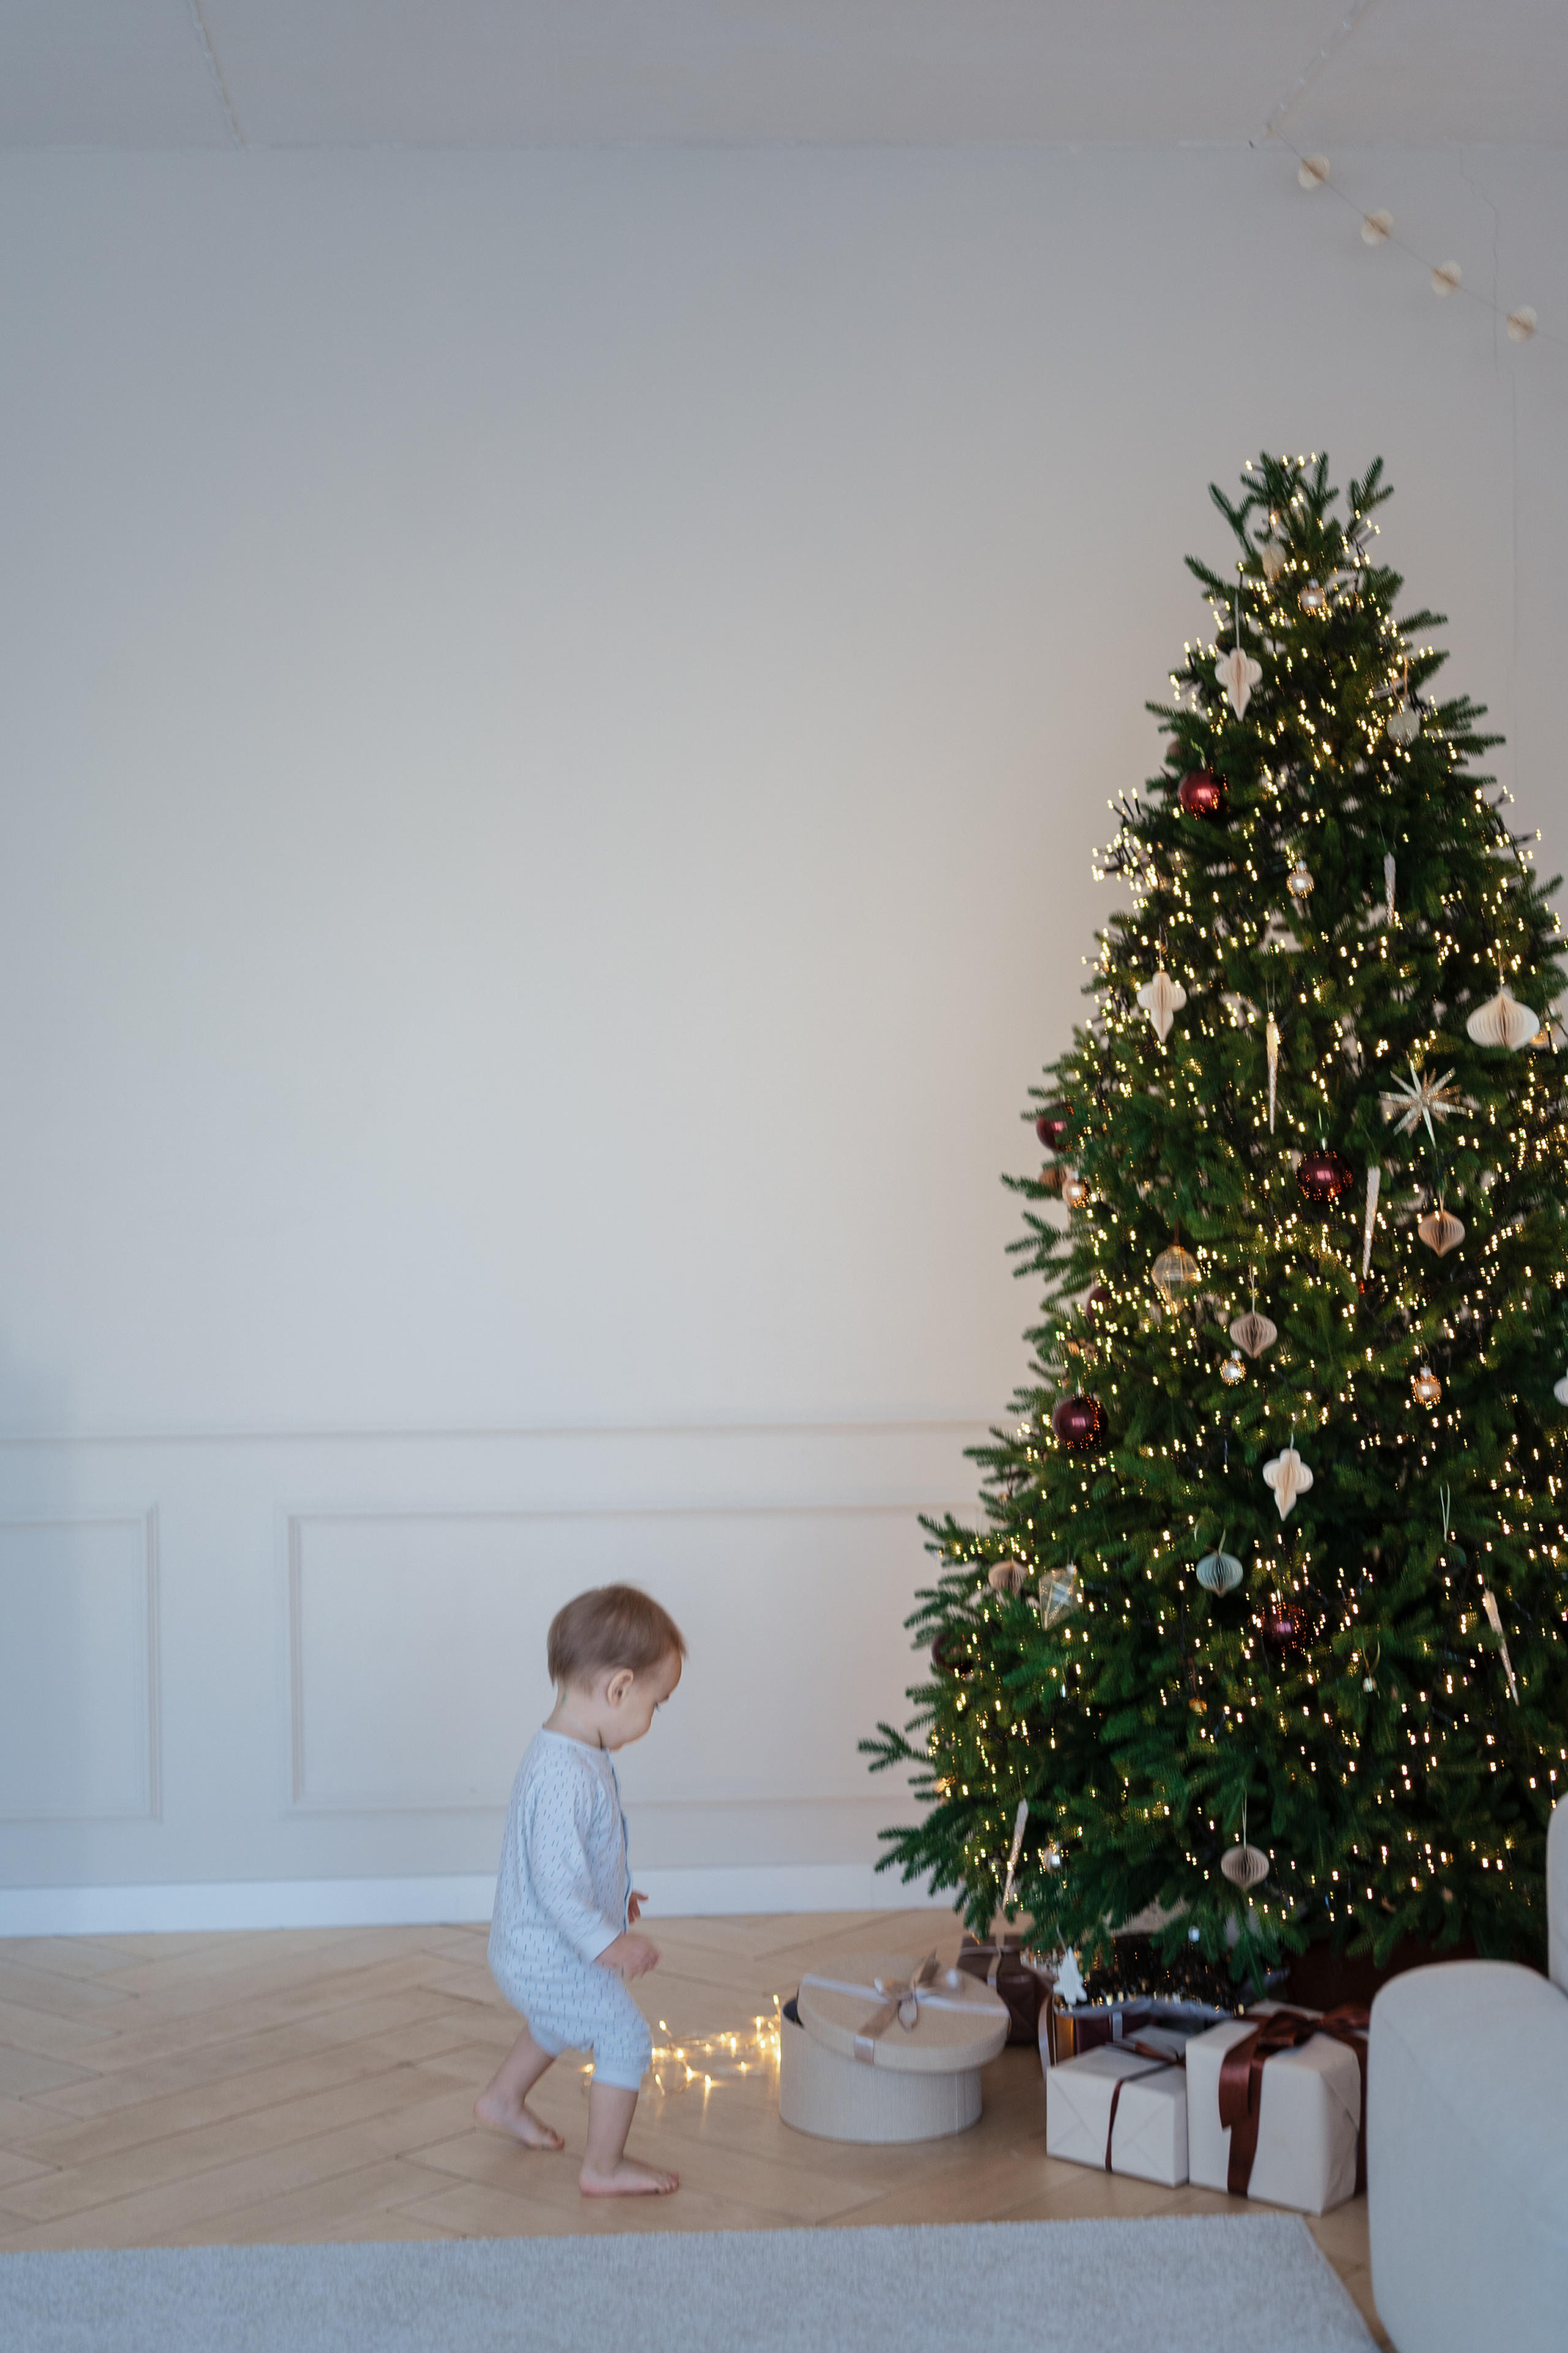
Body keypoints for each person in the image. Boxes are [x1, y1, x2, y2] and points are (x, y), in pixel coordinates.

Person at [475, 1582, 685, 2196]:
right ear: (619, 1686)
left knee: (560, 2017)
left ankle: (502, 2099)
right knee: (624, 2037)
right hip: (550, 1950)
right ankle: (602, 2166)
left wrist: (615, 1900)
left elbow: (569, 1862)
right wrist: (607, 1943)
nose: (653, 1716)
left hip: (537, 1945)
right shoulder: (567, 1773)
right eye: (657, 1701)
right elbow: (556, 1885)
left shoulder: (569, 1752)